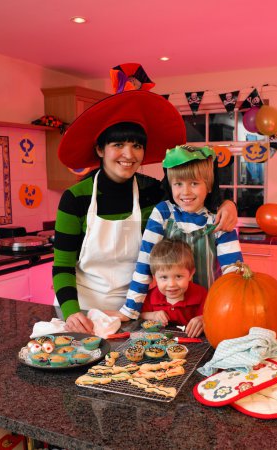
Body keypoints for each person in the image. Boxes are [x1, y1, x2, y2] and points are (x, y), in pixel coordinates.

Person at [53, 72, 238, 334]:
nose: (129, 155)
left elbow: (193, 196)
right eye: (118, 144)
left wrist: (227, 204)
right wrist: (71, 312)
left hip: (137, 309)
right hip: (83, 309)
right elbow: (62, 265)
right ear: (100, 149)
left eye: (137, 146)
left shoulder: (152, 192)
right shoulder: (75, 199)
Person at [124, 144, 243, 319]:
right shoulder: (163, 213)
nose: (185, 192)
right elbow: (144, 265)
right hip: (169, 312)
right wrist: (130, 310)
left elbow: (233, 274)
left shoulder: (218, 218)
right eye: (178, 184)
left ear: (209, 185)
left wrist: (213, 314)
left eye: (194, 183)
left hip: (208, 311)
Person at [141, 239, 207, 338]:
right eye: (164, 277)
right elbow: (139, 314)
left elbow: (213, 316)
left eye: (178, 276)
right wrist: (153, 315)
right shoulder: (151, 296)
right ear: (155, 277)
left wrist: (203, 319)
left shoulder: (201, 295)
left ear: (191, 274)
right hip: (160, 343)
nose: (171, 284)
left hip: (193, 343)